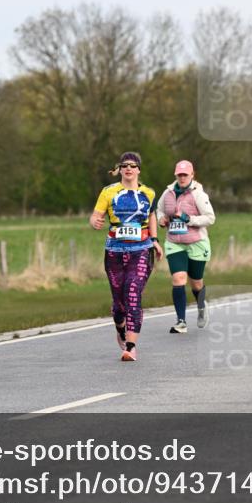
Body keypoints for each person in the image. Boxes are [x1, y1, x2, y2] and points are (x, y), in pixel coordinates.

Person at [91, 152, 163, 360]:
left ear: (139, 170)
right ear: (120, 169)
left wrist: (155, 241)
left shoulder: (148, 193)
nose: (129, 169)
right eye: (125, 166)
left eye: (133, 166)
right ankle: (120, 328)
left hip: (141, 249)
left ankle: (130, 347)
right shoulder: (108, 192)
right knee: (119, 303)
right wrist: (95, 222)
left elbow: (151, 216)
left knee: (133, 293)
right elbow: (96, 215)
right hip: (114, 250)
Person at [157, 160, 215, 333]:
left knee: (196, 283)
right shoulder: (167, 193)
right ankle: (181, 321)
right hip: (175, 243)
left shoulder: (199, 194)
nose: (182, 178)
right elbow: (159, 210)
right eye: (179, 175)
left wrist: (188, 219)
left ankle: (202, 306)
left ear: (192, 175)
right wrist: (162, 219)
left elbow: (210, 218)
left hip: (196, 242)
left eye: (185, 175)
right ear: (175, 175)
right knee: (178, 278)